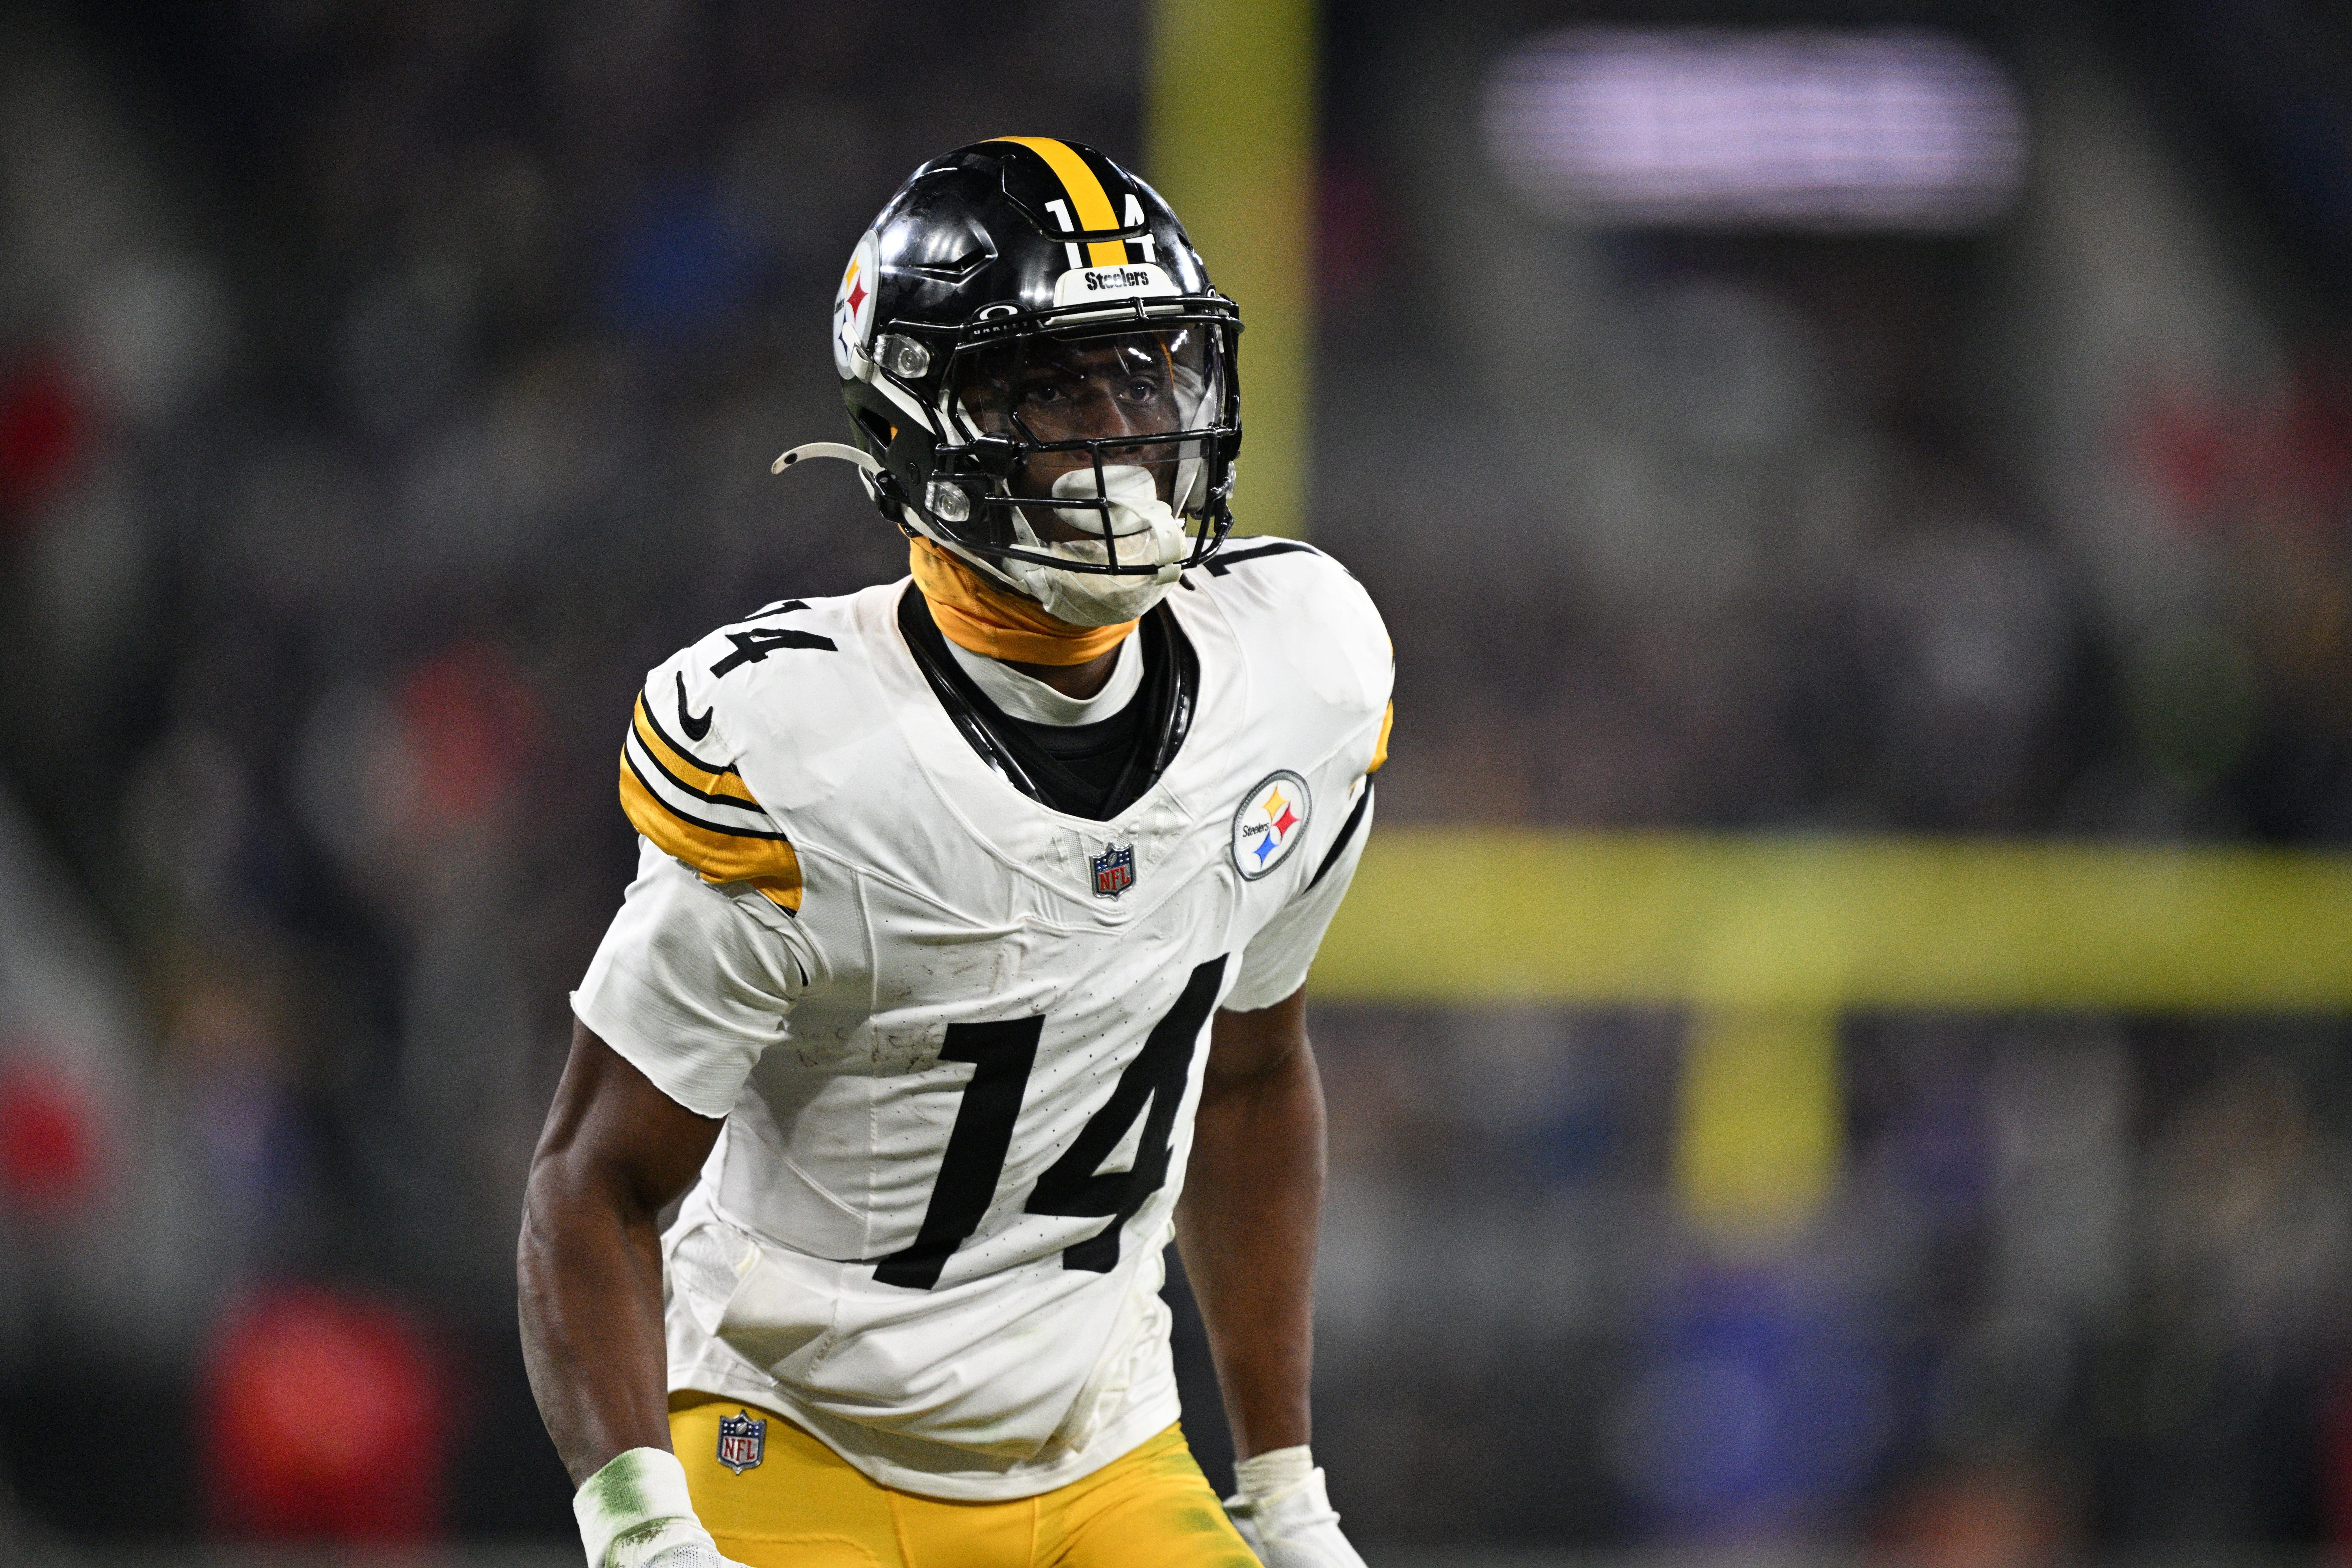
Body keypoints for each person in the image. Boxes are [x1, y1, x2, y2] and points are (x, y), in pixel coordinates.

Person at [518, 137, 1391, 1568]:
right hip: (796, 1442)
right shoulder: (805, 754)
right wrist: (640, 1534)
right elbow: (592, 1185)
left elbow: (1242, 1079)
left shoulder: (1297, 679)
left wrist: (1285, 1489)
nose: (1119, 431)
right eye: (1052, 387)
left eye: (1144, 370)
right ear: (917, 428)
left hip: (1107, 1442)